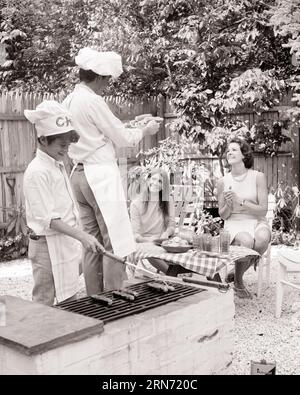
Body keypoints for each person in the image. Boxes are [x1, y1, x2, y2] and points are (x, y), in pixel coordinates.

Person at [63, 47, 161, 295]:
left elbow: (98, 132)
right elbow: (121, 138)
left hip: (78, 174)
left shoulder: (70, 99)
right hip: (99, 176)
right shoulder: (93, 101)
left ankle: (95, 297)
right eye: (106, 80)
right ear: (97, 76)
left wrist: (132, 124)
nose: (107, 85)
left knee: (91, 241)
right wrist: (145, 131)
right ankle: (115, 296)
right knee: (114, 239)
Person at [23, 100, 104, 306]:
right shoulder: (37, 171)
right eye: (61, 145)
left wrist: (80, 234)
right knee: (44, 301)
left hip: (64, 241)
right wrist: (83, 236)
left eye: (68, 145)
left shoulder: (57, 164)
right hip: (45, 245)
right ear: (42, 140)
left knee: (69, 297)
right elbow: (49, 219)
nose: (66, 150)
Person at [217, 138, 271, 298]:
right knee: (247, 241)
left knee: (262, 239)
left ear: (244, 154)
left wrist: (240, 200)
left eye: (234, 149)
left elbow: (262, 211)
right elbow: (223, 215)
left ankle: (237, 272)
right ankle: (239, 283)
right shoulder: (222, 181)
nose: (229, 152)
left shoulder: (258, 177)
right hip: (234, 223)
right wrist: (229, 204)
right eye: (228, 151)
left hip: (256, 220)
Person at [130, 168, 176, 275]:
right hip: (145, 242)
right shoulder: (136, 204)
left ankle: (176, 272)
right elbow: (135, 235)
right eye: (153, 179)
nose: (156, 183)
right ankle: (172, 274)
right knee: (149, 250)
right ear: (148, 180)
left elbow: (172, 225)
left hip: (164, 241)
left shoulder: (168, 201)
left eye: (160, 181)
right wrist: (149, 240)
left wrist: (166, 233)